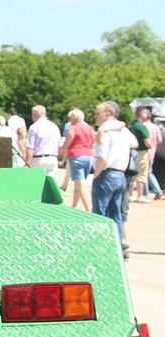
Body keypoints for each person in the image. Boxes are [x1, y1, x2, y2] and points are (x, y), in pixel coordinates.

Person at [91, 101, 131, 250]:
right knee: (116, 214)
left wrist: (96, 175)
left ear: (108, 114)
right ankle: (117, 244)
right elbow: (134, 142)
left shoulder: (103, 131)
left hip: (106, 174)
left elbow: (102, 156)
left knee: (99, 213)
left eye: (98, 113)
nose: (94, 116)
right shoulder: (123, 131)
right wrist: (120, 124)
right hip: (120, 174)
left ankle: (98, 245)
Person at [59, 108, 94, 211]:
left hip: (76, 155)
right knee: (79, 183)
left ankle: (88, 209)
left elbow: (66, 144)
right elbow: (92, 140)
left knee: (81, 184)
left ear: (74, 118)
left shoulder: (73, 128)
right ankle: (74, 206)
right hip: (88, 155)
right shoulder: (90, 128)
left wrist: (57, 150)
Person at [24, 105, 60, 176]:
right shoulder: (54, 126)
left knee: (36, 183)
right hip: (52, 158)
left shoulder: (34, 127)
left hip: (38, 159)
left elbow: (30, 147)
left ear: (34, 114)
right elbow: (60, 145)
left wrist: (27, 162)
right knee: (50, 183)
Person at [129, 107, 152, 202]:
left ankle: (130, 195)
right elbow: (147, 142)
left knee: (131, 174)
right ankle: (140, 195)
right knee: (142, 173)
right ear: (142, 114)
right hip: (141, 152)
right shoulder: (142, 127)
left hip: (131, 152)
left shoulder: (131, 125)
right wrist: (150, 147)